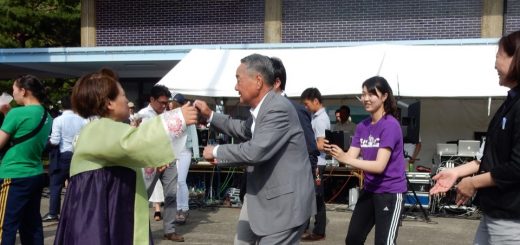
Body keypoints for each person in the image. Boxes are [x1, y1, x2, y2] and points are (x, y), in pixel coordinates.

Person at [53, 68, 198, 244]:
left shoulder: (99, 128)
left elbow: (128, 152)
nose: (127, 100)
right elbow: (136, 142)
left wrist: (153, 161)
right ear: (109, 103)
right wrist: (179, 118)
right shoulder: (100, 128)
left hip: (102, 212)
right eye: (123, 95)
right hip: (96, 216)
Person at [193, 53, 315, 244]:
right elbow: (242, 129)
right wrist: (210, 116)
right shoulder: (263, 108)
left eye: (238, 79)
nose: (235, 87)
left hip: (283, 206)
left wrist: (216, 151)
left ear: (258, 81)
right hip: (262, 198)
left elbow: (254, 151)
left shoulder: (277, 108)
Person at [430, 30, 520, 244]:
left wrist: (473, 183)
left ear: (516, 58)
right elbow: (490, 158)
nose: (495, 65)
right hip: (494, 213)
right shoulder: (509, 104)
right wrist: (456, 173)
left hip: (512, 219)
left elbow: (517, 167)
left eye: (498, 56)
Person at [327, 76, 406, 245]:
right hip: (369, 190)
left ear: (384, 97)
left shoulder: (390, 125)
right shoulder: (362, 126)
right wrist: (334, 150)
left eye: (371, 94)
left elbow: (379, 166)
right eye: (363, 94)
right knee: (353, 239)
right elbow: (350, 157)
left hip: (390, 193)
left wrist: (346, 158)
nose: (366, 99)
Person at [0, 75, 52, 245]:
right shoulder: (46, 115)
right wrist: (8, 114)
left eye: (14, 90)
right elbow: (26, 134)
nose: (13, 94)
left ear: (24, 91)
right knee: (31, 226)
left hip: (13, 174)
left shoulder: (16, 113)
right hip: (34, 173)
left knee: (5, 226)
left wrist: (8, 115)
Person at [137, 84, 185, 241]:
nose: (164, 105)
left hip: (169, 158)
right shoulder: (142, 115)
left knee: (171, 194)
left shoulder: (168, 114)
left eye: (166, 103)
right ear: (152, 99)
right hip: (150, 161)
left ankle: (169, 230)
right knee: (144, 196)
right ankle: (141, 230)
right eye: (161, 102)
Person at [42, 94, 86, 222]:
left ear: (62, 106)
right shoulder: (82, 120)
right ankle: (77, 211)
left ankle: (53, 213)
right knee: (76, 185)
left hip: (62, 156)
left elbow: (55, 141)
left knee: (55, 185)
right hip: (78, 155)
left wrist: (45, 147)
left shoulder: (58, 120)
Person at [300, 87, 330, 241]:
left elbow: (321, 144)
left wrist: (304, 144)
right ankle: (304, 227)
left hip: (318, 163)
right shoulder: (315, 117)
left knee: (317, 197)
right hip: (313, 162)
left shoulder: (321, 120)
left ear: (316, 101)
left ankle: (319, 231)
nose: (305, 107)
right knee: (309, 195)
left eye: (306, 104)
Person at [169, 93, 200, 224]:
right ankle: (178, 209)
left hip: (185, 151)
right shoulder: (171, 116)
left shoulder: (188, 117)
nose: (172, 105)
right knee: (176, 182)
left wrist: (197, 154)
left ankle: (184, 208)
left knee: (181, 180)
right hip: (174, 151)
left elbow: (194, 135)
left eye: (175, 103)